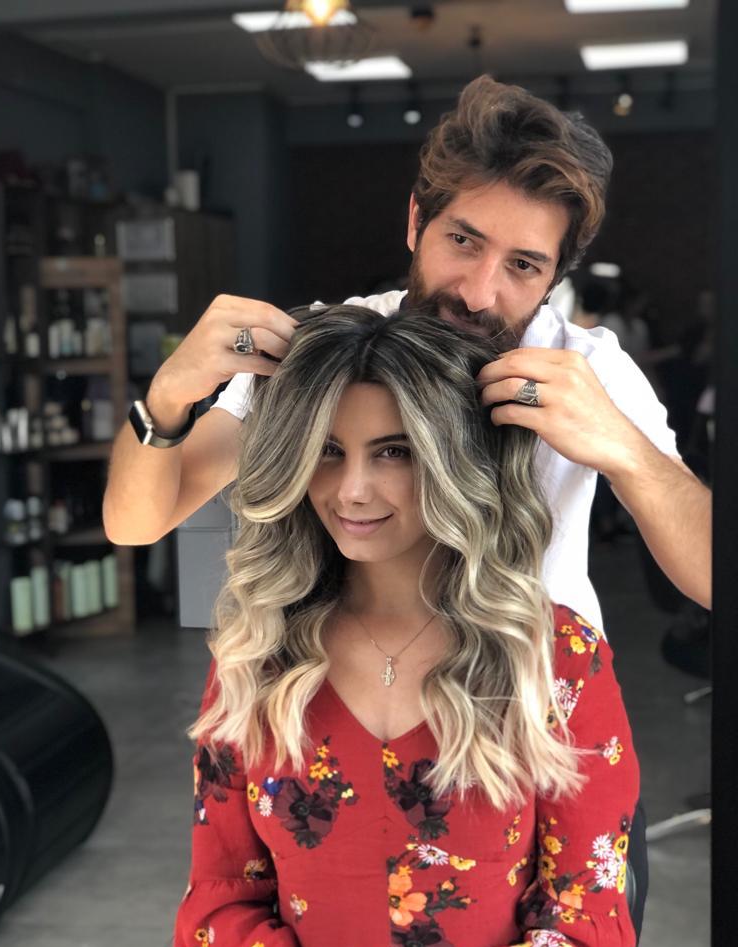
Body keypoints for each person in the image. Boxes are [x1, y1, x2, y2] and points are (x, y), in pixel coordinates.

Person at [173, 306, 639, 947]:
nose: (352, 489)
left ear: (454, 460)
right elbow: (219, 900)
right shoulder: (256, 654)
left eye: (394, 451)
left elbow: (587, 923)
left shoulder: (557, 660)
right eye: (328, 450)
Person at [103, 73, 711, 621]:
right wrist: (167, 397)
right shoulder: (327, 346)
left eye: (523, 266)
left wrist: (627, 451)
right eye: (464, 242)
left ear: (554, 279)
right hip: (355, 685)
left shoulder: (591, 370)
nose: (477, 293)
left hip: (540, 687)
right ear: (417, 221)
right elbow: (134, 524)